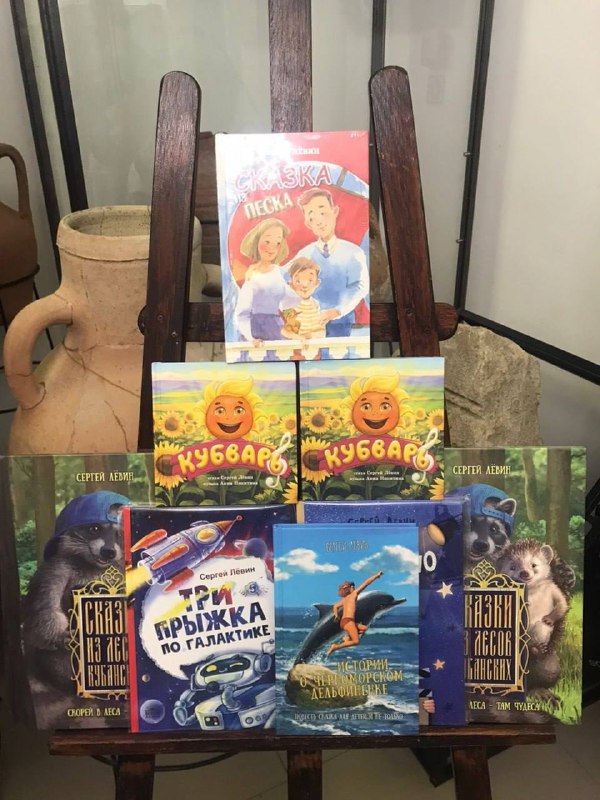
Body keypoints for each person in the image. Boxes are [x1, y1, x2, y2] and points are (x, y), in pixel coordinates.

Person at [294, 188, 369, 341]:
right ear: (308, 223)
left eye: (323, 213)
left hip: (343, 322)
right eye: (312, 217)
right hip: (311, 325)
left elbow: (360, 286)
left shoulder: (353, 252)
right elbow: (283, 281)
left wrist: (337, 311)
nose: (319, 221)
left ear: (335, 212)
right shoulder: (304, 255)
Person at [235, 218, 293, 350]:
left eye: (277, 242)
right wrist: (250, 338)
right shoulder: (251, 276)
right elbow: (242, 313)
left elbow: (290, 302)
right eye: (267, 241)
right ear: (256, 241)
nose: (272, 247)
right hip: (256, 331)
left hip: (277, 329)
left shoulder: (280, 273)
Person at [326, 571, 384, 656]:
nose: (354, 588)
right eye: (353, 587)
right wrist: (376, 576)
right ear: (350, 588)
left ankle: (348, 637)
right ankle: (335, 647)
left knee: (364, 628)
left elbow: (335, 606)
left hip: (345, 622)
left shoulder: (345, 599)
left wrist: (336, 616)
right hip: (348, 622)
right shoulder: (354, 594)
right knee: (356, 641)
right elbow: (366, 583)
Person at [280, 257, 326, 359]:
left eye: (310, 281)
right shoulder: (289, 305)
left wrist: (310, 336)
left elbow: (321, 331)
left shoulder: (315, 304)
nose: (304, 286)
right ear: (291, 285)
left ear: (317, 283)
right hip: (296, 351)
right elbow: (285, 331)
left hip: (315, 351)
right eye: (298, 281)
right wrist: (299, 338)